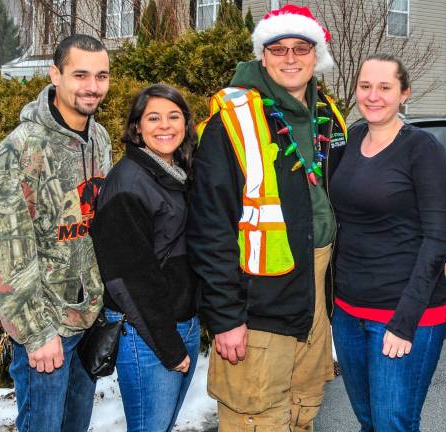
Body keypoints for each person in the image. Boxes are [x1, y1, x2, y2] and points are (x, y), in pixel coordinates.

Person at [186, 5, 348, 431]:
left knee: (302, 410)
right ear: (262, 55)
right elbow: (209, 227)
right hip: (258, 303)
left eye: (301, 48)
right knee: (255, 417)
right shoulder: (233, 119)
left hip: (316, 292)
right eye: (278, 49)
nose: (290, 58)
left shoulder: (327, 114)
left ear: (317, 56)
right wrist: (225, 317)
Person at [0, 34, 111, 431]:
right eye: (81, 74)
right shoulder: (22, 148)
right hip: (47, 329)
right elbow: (4, 248)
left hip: (86, 323)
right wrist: (36, 334)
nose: (92, 86)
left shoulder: (100, 138)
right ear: (55, 74)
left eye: (102, 75)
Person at [328, 53, 446, 431]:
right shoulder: (348, 140)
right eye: (365, 86)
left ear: (405, 93)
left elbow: (437, 241)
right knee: (369, 422)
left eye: (385, 87)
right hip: (348, 313)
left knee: (392, 424)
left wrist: (404, 323)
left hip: (402, 314)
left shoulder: (423, 149)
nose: (373, 95)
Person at [90, 84, 200, 432]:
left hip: (182, 322)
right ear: (137, 127)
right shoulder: (129, 183)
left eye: (173, 116)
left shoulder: (175, 174)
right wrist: (169, 346)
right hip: (146, 335)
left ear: (185, 124)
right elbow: (128, 278)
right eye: (153, 118)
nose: (164, 125)